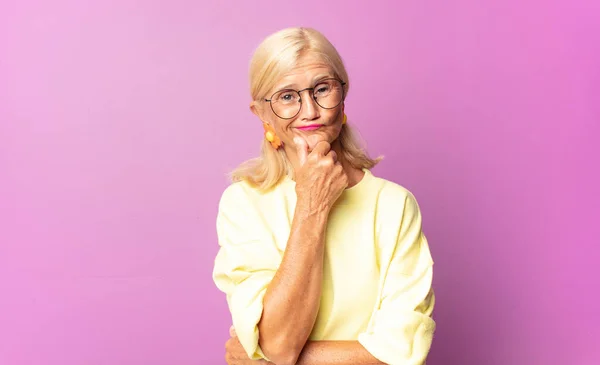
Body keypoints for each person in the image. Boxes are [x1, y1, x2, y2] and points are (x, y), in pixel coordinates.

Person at [212, 27, 436, 365]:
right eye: (287, 96)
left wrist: (266, 359)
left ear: (342, 96)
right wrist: (311, 204)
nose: (310, 111)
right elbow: (280, 344)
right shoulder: (243, 204)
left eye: (321, 89)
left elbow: (398, 354)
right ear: (262, 114)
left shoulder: (394, 205)